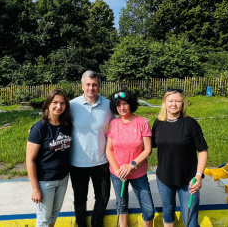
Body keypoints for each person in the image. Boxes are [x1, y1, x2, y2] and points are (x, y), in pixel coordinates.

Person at [152, 88, 208, 227]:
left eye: (178, 101)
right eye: (170, 101)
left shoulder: (190, 123)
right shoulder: (158, 123)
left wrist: (199, 175)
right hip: (164, 179)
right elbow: (147, 146)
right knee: (168, 213)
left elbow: (203, 150)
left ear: (182, 103)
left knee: (191, 222)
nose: (174, 104)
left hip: (189, 181)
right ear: (164, 102)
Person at [69, 70, 114, 227]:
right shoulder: (72, 105)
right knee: (80, 199)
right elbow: (55, 119)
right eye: (88, 84)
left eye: (94, 85)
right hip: (77, 163)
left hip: (101, 162)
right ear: (82, 86)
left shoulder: (109, 105)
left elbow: (121, 124)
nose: (91, 88)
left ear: (99, 86)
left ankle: (96, 223)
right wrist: (37, 126)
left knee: (103, 198)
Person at [106, 90, 154, 227]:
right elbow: (109, 149)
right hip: (118, 174)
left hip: (138, 173)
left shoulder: (142, 123)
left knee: (149, 209)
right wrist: (117, 170)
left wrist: (131, 165)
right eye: (118, 105)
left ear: (131, 104)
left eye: (125, 104)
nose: (122, 108)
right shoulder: (114, 124)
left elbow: (148, 150)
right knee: (122, 204)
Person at [26, 88, 72, 227]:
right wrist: (35, 188)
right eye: (55, 102)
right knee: (43, 220)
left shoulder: (67, 124)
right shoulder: (40, 127)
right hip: (45, 181)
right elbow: (30, 159)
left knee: (53, 216)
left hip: (63, 179)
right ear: (48, 104)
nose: (59, 106)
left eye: (62, 103)